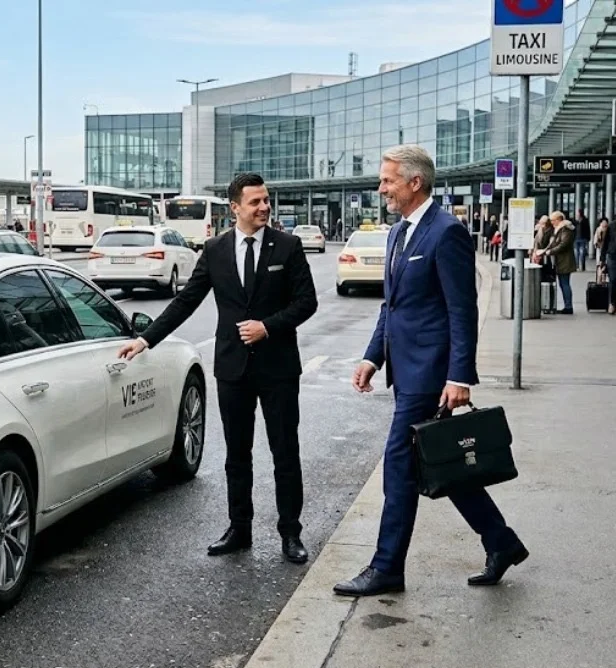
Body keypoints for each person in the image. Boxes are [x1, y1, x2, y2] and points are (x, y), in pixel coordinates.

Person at [335, 145, 528, 597]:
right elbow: (394, 305)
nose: (381, 187)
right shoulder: (398, 233)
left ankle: (387, 569)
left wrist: (459, 376)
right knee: (439, 465)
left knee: (399, 468)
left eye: (388, 180)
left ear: (414, 182)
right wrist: (371, 357)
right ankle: (501, 542)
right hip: (405, 372)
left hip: (432, 375)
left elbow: (462, 311)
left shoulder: (446, 233)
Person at [117, 173, 318, 562]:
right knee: (236, 455)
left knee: (285, 454)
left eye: (266, 200)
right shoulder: (215, 250)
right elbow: (185, 302)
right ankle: (239, 529)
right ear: (235, 207)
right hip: (233, 370)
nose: (264, 207)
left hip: (278, 368)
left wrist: (267, 327)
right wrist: (145, 340)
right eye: (255, 202)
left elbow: (306, 302)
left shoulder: (288, 247)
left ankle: (291, 534)